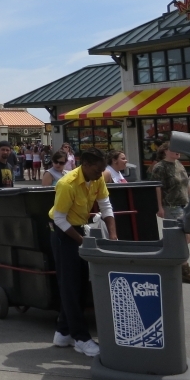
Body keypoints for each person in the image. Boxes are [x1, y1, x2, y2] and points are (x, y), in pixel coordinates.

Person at [49, 147, 117, 357]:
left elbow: (106, 206)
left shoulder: (97, 178)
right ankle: (81, 338)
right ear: (85, 165)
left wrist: (113, 236)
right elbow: (59, 219)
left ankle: (63, 332)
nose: (101, 174)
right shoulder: (67, 184)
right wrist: (83, 242)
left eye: (103, 169)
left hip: (80, 230)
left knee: (79, 283)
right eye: (98, 169)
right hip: (64, 233)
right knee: (71, 286)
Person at [148, 143, 190, 285]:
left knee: (185, 237)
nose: (177, 152)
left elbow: (186, 184)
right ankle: (185, 269)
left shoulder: (179, 164)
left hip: (184, 205)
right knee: (182, 237)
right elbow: (157, 187)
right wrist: (159, 207)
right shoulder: (160, 167)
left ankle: (172, 264)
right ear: (165, 151)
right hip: (171, 205)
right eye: (173, 149)